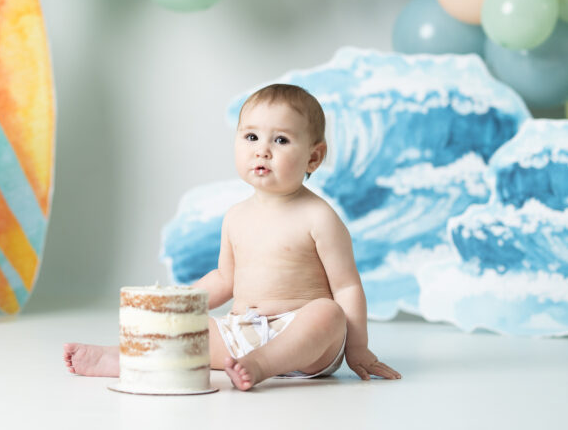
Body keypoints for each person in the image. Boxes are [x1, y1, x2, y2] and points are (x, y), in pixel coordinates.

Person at [63, 84, 401, 390]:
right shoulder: (236, 216)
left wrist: (358, 348)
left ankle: (263, 364)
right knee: (196, 329)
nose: (262, 151)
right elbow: (225, 279)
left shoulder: (319, 217)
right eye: (251, 137)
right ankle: (123, 357)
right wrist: (179, 304)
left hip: (303, 342)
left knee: (327, 313)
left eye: (280, 140)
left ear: (313, 156)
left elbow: (346, 287)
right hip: (241, 334)